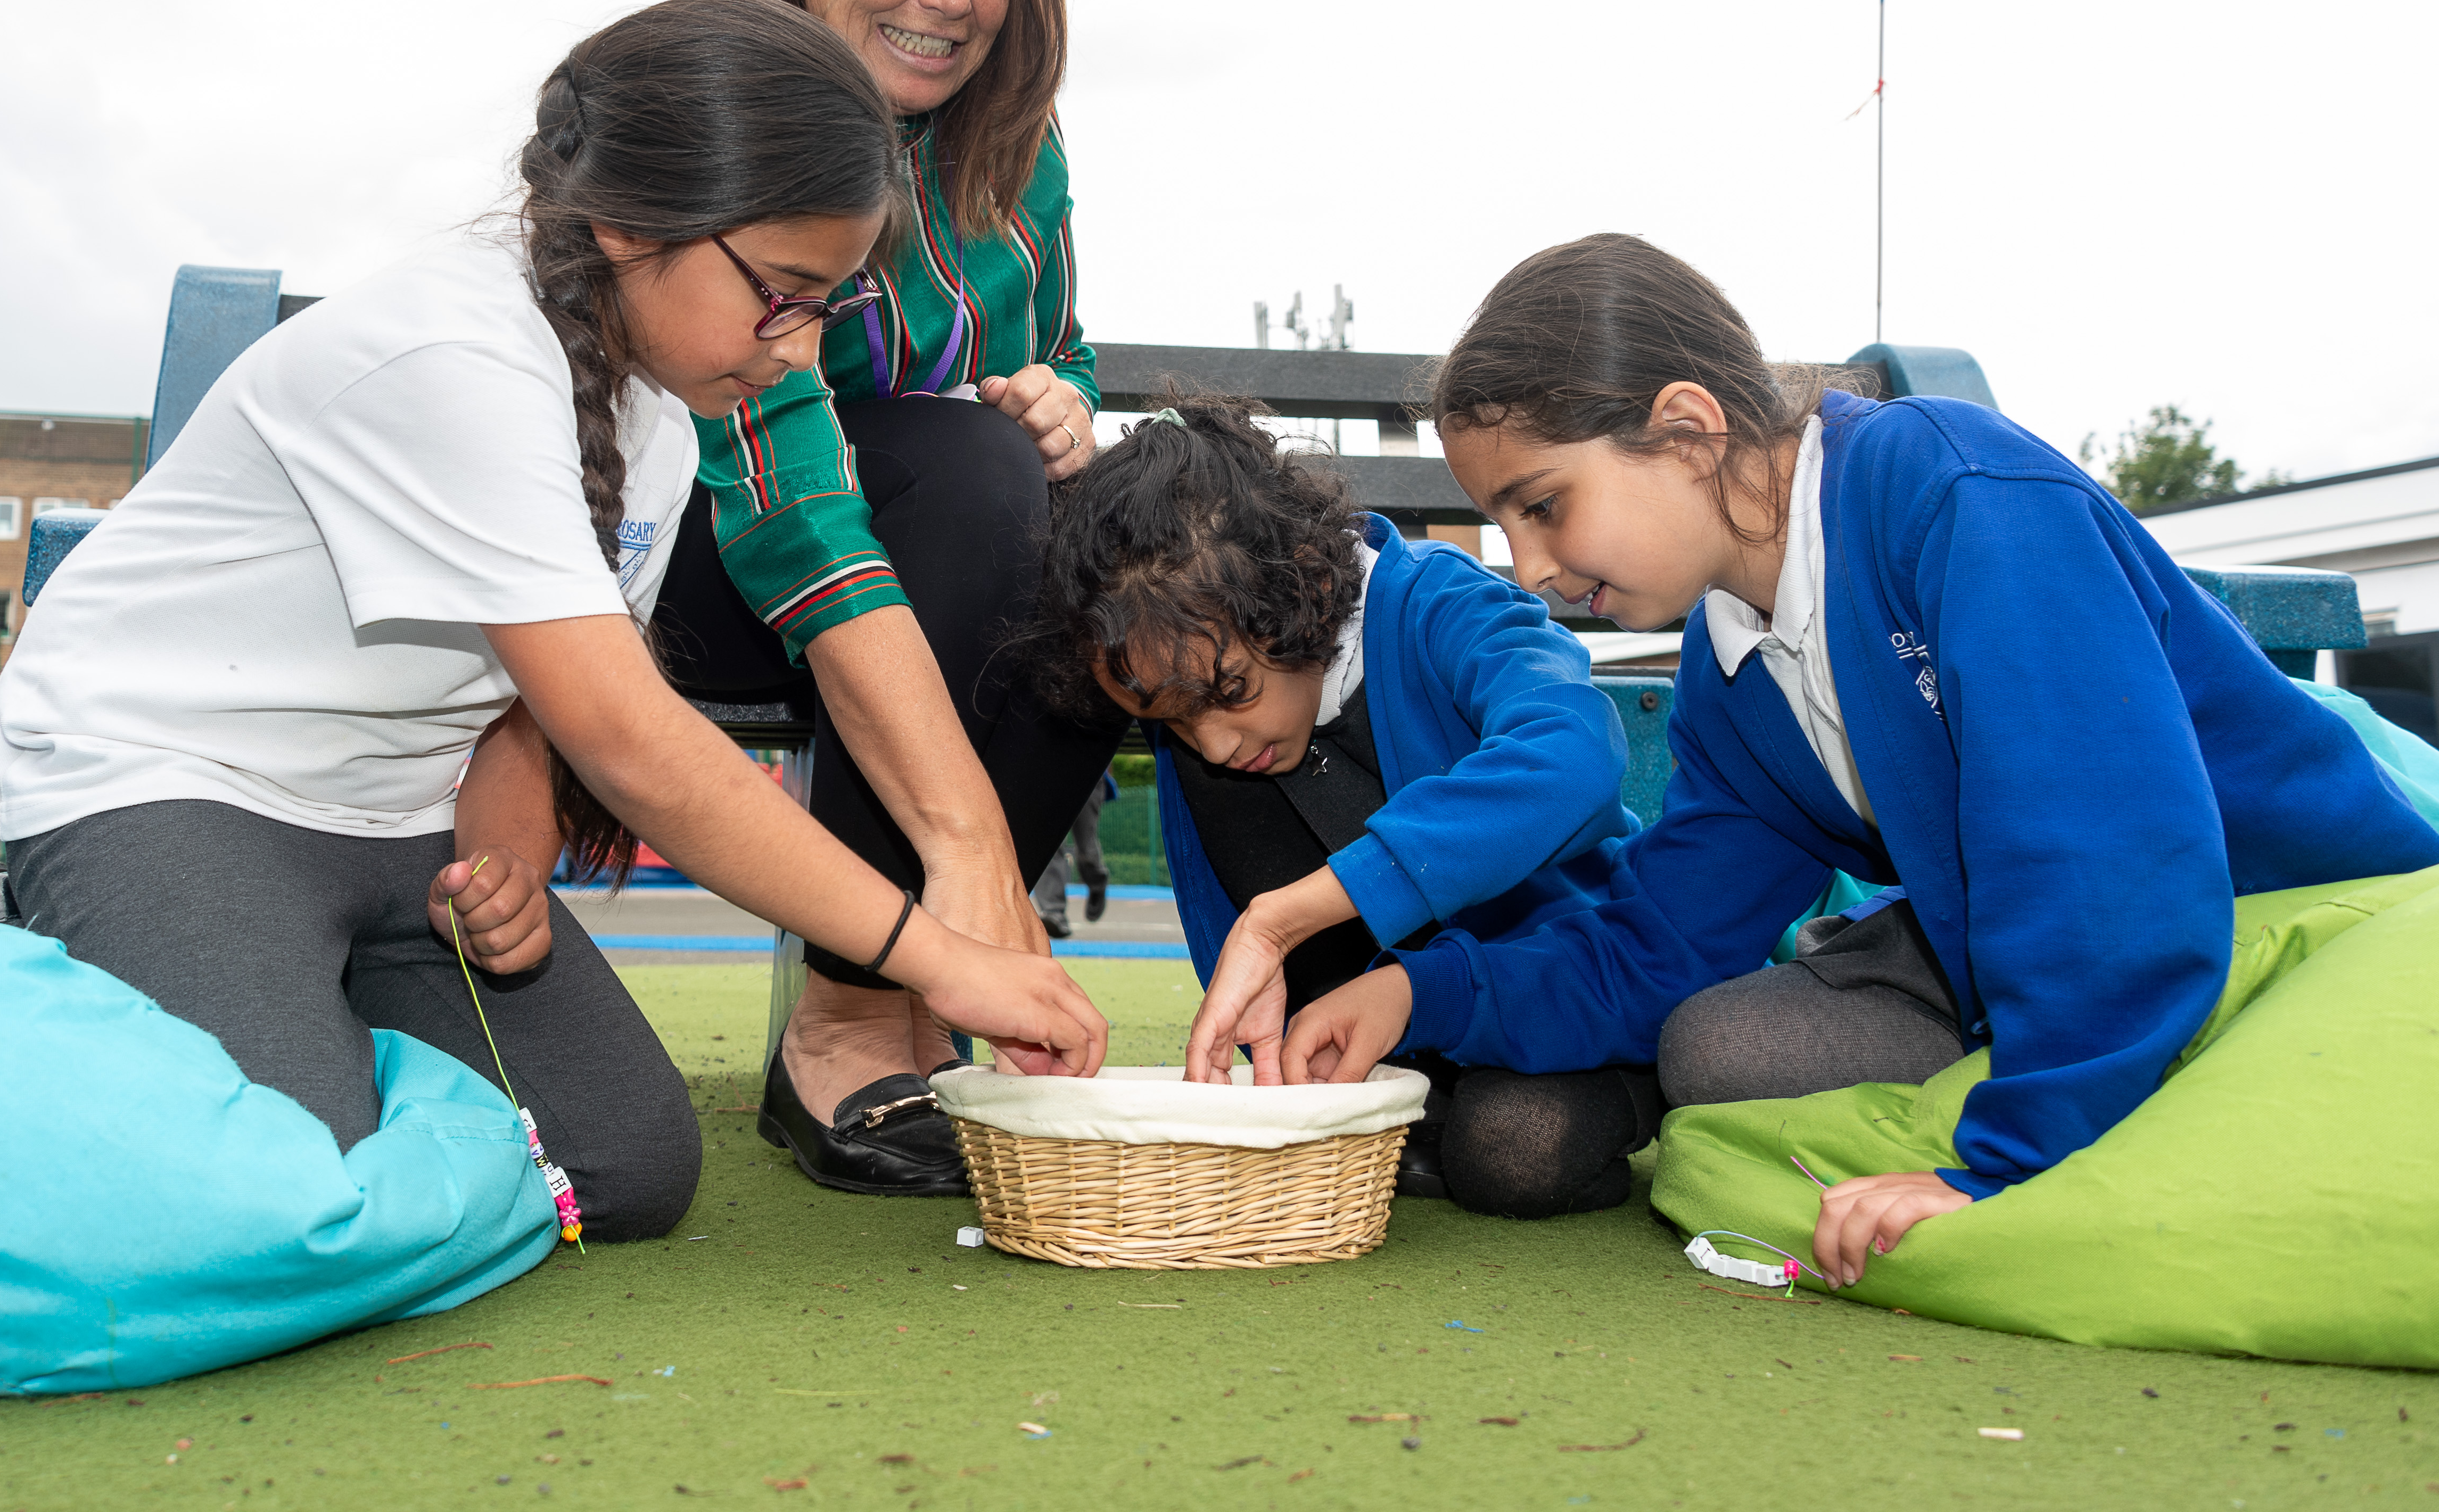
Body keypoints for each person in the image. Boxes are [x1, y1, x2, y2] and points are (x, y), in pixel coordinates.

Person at [0, 0, 1107, 1243]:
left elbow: (523, 718)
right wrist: (938, 958)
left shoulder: (656, 421)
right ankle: (27, 947)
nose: (799, 351)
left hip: (396, 834)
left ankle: (288, 1017)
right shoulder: (454, 353)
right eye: (784, 293)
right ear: (634, 225)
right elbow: (631, 743)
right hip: (171, 787)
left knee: (627, 1167)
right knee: (289, 1195)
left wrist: (505, 866)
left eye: (827, 306)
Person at [1280, 234, 2439, 1280]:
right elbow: (1664, 944)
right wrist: (1416, 986)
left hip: (2292, 916)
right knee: (1717, 1046)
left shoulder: (1952, 490)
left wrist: (1994, 1167)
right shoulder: (1727, 676)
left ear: (1687, 428)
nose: (1527, 566)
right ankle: (2068, 1065)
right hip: (2008, 950)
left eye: (1544, 504)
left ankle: (2072, 1085)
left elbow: (2098, 847)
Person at [654, 0, 1126, 1195]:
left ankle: (928, 996)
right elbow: (774, 461)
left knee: (1103, 533)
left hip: (931, 556)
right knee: (978, 474)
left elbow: (1063, 348)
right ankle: (855, 1017)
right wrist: (972, 846)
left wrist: (1065, 405)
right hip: (695, 555)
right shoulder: (721, 115)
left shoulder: (1019, 151)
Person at [1027, 395, 1654, 1216]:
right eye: (1171, 722)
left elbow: (1575, 755)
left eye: (1231, 692)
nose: (1211, 744)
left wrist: (1291, 914)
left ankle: (1643, 1087)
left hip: (1563, 1001)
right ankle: (1413, 1113)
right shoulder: (1197, 685)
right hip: (1387, 1037)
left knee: (1512, 1150)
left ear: (1309, 586)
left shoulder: (1441, 607)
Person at [1029, 768, 1116, 938]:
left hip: (1090, 772)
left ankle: (1097, 880)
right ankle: (1054, 913)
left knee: (1087, 849)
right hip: (1048, 773)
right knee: (1049, 846)